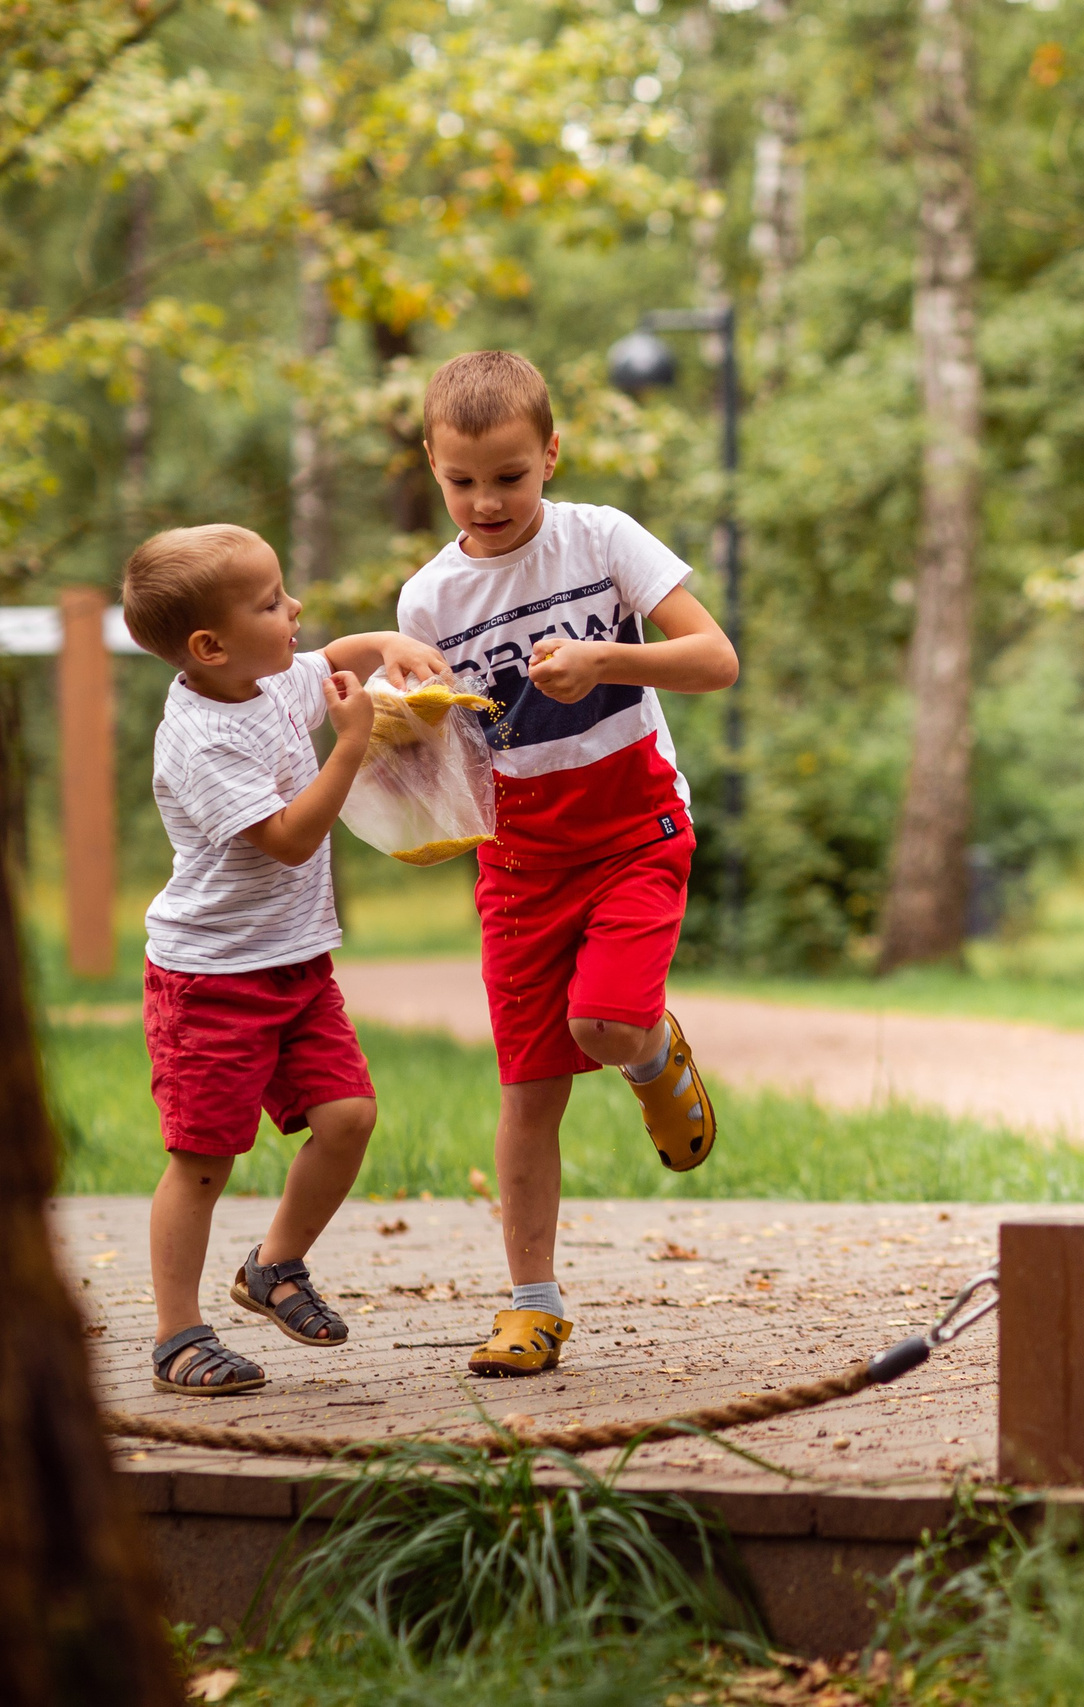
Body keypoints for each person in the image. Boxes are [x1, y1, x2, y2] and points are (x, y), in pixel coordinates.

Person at [399, 350, 737, 1378]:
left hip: (634, 830)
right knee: (529, 1089)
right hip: (519, 865)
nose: (488, 499)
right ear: (432, 466)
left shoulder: (601, 539)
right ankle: (531, 1306)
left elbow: (715, 658)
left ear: (550, 452)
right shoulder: (428, 602)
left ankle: (651, 1055)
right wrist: (389, 738)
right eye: (464, 480)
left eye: (510, 474)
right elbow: (449, 756)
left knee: (603, 1024)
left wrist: (608, 658)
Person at [125, 524, 448, 1396]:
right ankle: (176, 1334)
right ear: (209, 645)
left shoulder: (265, 678)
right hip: (211, 980)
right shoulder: (200, 738)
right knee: (203, 1157)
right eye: (271, 601)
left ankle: (273, 1266)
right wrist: (349, 745)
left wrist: (388, 643)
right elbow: (288, 841)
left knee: (347, 1118)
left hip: (296, 967)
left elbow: (335, 659)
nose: (294, 607)